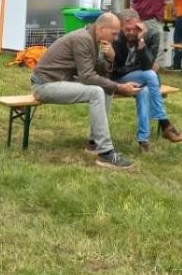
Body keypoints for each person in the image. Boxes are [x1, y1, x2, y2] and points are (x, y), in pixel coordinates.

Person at [30, 11, 142, 170]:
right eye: (114, 33)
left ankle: (94, 142)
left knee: (105, 89)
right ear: (101, 29)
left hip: (61, 81)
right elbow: (87, 76)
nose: (116, 38)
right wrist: (119, 87)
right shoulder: (83, 39)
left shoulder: (92, 39)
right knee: (96, 91)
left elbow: (99, 73)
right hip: (44, 85)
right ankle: (106, 153)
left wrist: (110, 58)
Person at [111, 10, 182, 151]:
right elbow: (114, 70)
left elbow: (147, 65)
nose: (131, 32)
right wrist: (138, 68)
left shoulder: (152, 35)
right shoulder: (116, 38)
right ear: (121, 27)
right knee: (151, 75)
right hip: (119, 79)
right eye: (127, 29)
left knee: (145, 91)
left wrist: (141, 42)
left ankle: (144, 141)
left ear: (140, 24)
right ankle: (165, 123)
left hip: (143, 78)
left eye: (134, 29)